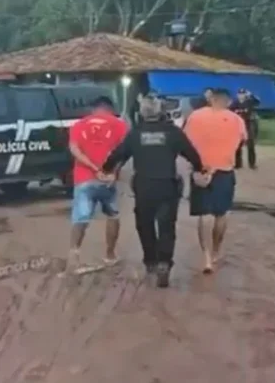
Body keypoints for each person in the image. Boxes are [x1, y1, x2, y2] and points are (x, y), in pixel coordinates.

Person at [102, 95, 204, 288]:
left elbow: (117, 154)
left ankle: (150, 261)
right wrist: (200, 169)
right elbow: (192, 154)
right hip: (168, 185)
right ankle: (164, 262)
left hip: (143, 186)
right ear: (160, 111)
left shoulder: (135, 134)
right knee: (167, 227)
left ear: (142, 113)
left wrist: (106, 168)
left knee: (144, 224)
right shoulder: (172, 132)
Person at [182, 87, 247, 274]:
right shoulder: (236, 120)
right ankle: (217, 250)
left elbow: (185, 142)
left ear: (211, 99)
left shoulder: (195, 117)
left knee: (204, 214)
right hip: (224, 171)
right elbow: (242, 142)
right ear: (228, 101)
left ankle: (206, 257)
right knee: (222, 213)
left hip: (200, 170)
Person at [67, 96, 129, 272]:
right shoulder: (119, 125)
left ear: (93, 108)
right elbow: (123, 153)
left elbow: (75, 150)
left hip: (84, 178)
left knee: (80, 218)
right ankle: (109, 255)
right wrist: (112, 172)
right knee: (113, 215)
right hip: (108, 180)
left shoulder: (78, 125)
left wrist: (93, 168)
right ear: (109, 108)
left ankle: (74, 256)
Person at [232, 88, 259, 170]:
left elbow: (257, 101)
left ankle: (252, 164)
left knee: (250, 145)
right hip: (238, 125)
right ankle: (237, 163)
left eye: (243, 94)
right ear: (237, 95)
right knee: (237, 145)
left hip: (248, 124)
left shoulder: (249, 102)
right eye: (240, 94)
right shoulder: (234, 103)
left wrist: (250, 94)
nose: (241, 95)